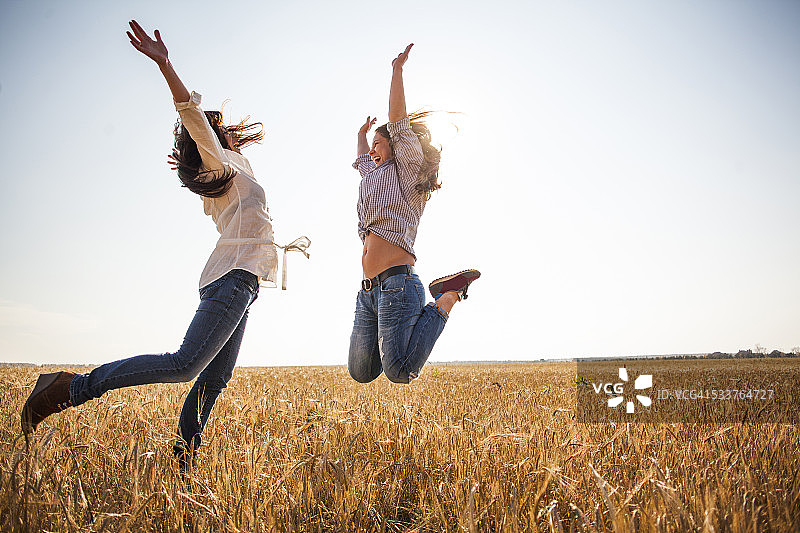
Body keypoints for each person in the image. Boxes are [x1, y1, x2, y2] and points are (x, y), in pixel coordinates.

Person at [21, 20, 278, 468]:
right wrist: (166, 64)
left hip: (245, 282)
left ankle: (183, 463)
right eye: (220, 131)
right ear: (211, 142)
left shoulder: (237, 168)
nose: (231, 131)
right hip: (232, 279)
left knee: (213, 381)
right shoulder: (221, 166)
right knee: (184, 365)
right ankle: (71, 387)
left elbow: (207, 139)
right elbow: (192, 117)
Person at [349, 43, 480, 384]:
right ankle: (431, 306)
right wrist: (362, 136)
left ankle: (447, 296)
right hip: (369, 290)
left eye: (380, 144)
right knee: (361, 372)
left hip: (398, 283)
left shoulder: (406, 172)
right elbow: (363, 161)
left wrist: (396, 71)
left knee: (400, 371)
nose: (374, 152)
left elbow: (396, 121)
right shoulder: (374, 174)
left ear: (394, 145)